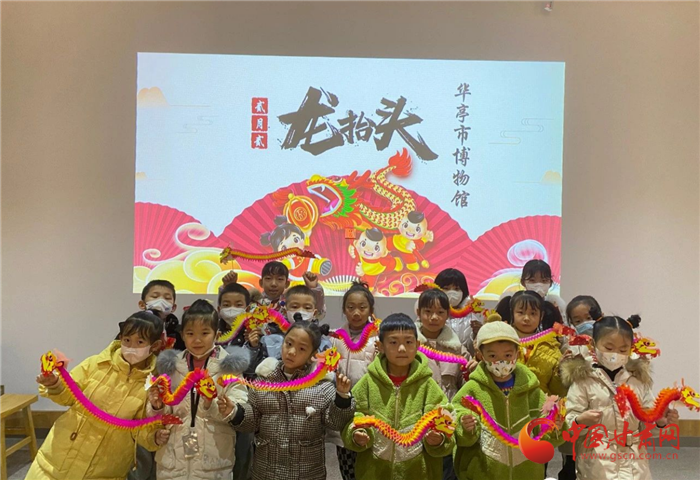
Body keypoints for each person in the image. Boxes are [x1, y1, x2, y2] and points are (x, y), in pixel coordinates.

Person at [27, 312, 167, 480]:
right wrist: (54, 384)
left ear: (154, 345)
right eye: (127, 340)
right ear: (120, 338)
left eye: (140, 342)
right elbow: (69, 396)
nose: (131, 347)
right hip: (56, 461)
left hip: (105, 470)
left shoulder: (152, 383)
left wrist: (154, 437)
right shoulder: (95, 364)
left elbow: (140, 429)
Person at [219, 321, 355, 480]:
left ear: (312, 355)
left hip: (307, 473)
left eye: (301, 348)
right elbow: (253, 419)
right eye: (288, 344)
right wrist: (235, 412)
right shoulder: (264, 381)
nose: (291, 352)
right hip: (266, 471)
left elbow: (335, 422)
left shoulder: (321, 386)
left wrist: (342, 397)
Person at [562, 315, 678, 480]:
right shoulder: (583, 379)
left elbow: (647, 426)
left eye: (623, 350)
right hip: (597, 463)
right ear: (594, 345)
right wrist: (580, 421)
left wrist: (659, 422)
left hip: (635, 462)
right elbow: (568, 426)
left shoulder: (638, 379)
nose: (615, 354)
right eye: (609, 348)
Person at [342, 313, 455, 480]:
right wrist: (357, 432)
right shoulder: (368, 382)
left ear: (417, 345)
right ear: (380, 346)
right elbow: (353, 415)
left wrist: (439, 438)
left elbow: (445, 417)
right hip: (375, 470)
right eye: (393, 342)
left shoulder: (427, 385)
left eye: (408, 342)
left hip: (419, 472)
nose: (402, 349)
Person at [451, 314, 564, 480]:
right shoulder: (473, 388)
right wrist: (465, 424)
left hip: (527, 472)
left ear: (517, 354)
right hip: (485, 473)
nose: (501, 362)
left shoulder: (530, 389)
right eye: (492, 356)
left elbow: (544, 426)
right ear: (481, 355)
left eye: (507, 355)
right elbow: (457, 414)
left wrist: (554, 425)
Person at [150, 300, 249, 480]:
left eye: (204, 333)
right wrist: (157, 407)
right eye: (190, 333)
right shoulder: (171, 367)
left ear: (217, 334)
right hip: (173, 461)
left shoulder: (229, 368)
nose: (197, 340)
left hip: (214, 462)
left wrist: (221, 407)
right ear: (182, 335)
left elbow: (239, 407)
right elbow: (160, 415)